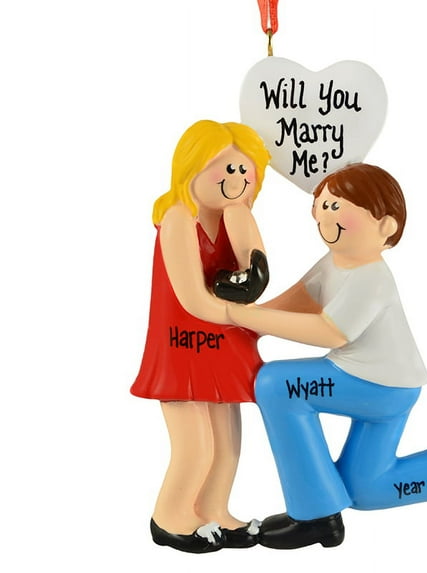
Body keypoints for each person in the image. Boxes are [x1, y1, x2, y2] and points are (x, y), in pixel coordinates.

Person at [227, 163, 427, 550]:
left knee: (277, 385)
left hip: (378, 386)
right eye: (323, 205)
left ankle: (316, 515)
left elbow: (330, 331)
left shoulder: (371, 277)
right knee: (364, 489)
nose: (325, 215)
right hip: (388, 386)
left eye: (337, 206)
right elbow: (300, 299)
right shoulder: (334, 263)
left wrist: (244, 318)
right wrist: (247, 322)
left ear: (386, 226)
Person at [131, 120, 271, 553]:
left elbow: (255, 270)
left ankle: (214, 511)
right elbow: (193, 299)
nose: (237, 178)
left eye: (245, 170)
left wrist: (243, 222)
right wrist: (245, 314)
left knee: (227, 445)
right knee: (196, 448)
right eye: (226, 168)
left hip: (223, 345)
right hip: (183, 345)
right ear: (192, 168)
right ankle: (170, 518)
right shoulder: (178, 218)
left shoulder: (234, 218)